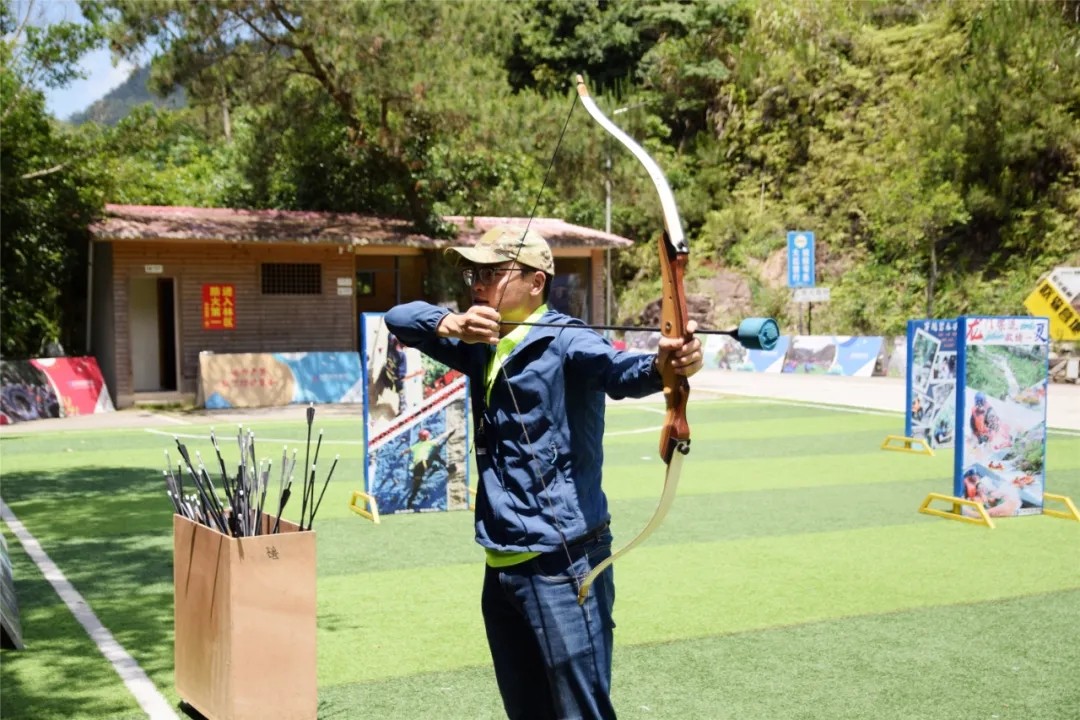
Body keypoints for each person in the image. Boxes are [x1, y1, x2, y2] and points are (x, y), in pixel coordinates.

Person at [385, 225, 703, 720]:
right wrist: (450, 323)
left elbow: (619, 372)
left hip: (563, 563)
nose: (478, 283)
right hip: (501, 560)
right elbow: (399, 318)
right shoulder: (479, 340)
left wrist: (666, 364)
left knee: (580, 712)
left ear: (536, 282)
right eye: (474, 274)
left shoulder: (568, 339)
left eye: (493, 272)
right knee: (526, 710)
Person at [400, 427, 456, 509]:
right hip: (426, 463)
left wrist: (402, 452)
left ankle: (410, 503)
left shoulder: (416, 446)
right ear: (427, 437)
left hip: (417, 467)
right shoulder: (430, 443)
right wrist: (450, 431)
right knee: (435, 454)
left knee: (416, 486)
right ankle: (448, 467)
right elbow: (442, 437)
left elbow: (407, 450)